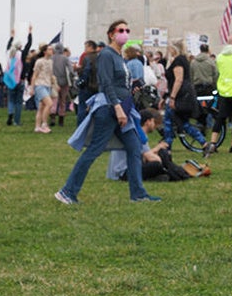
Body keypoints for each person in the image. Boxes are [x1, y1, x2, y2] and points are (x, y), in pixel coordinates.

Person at [55, 19, 160, 205]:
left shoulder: (120, 57)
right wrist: (118, 107)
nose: (125, 33)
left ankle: (138, 194)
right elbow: (105, 83)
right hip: (110, 109)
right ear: (111, 34)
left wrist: (132, 88)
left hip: (123, 109)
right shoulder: (106, 55)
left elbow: (119, 83)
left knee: (135, 147)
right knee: (94, 150)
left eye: (127, 29)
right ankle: (67, 191)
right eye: (121, 30)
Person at [162, 41, 204, 150]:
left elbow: (178, 80)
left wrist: (172, 97)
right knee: (180, 121)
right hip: (183, 94)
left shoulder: (178, 61)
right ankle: (203, 142)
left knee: (169, 121)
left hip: (180, 95)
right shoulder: (182, 60)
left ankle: (167, 146)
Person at [31, 44, 55, 133]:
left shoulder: (51, 62)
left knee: (41, 107)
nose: (51, 51)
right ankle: (44, 124)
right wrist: (32, 88)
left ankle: (37, 126)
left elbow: (50, 74)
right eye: (49, 49)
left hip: (48, 85)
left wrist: (54, 84)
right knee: (49, 104)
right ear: (44, 51)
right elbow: (34, 75)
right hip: (40, 85)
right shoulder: (39, 61)